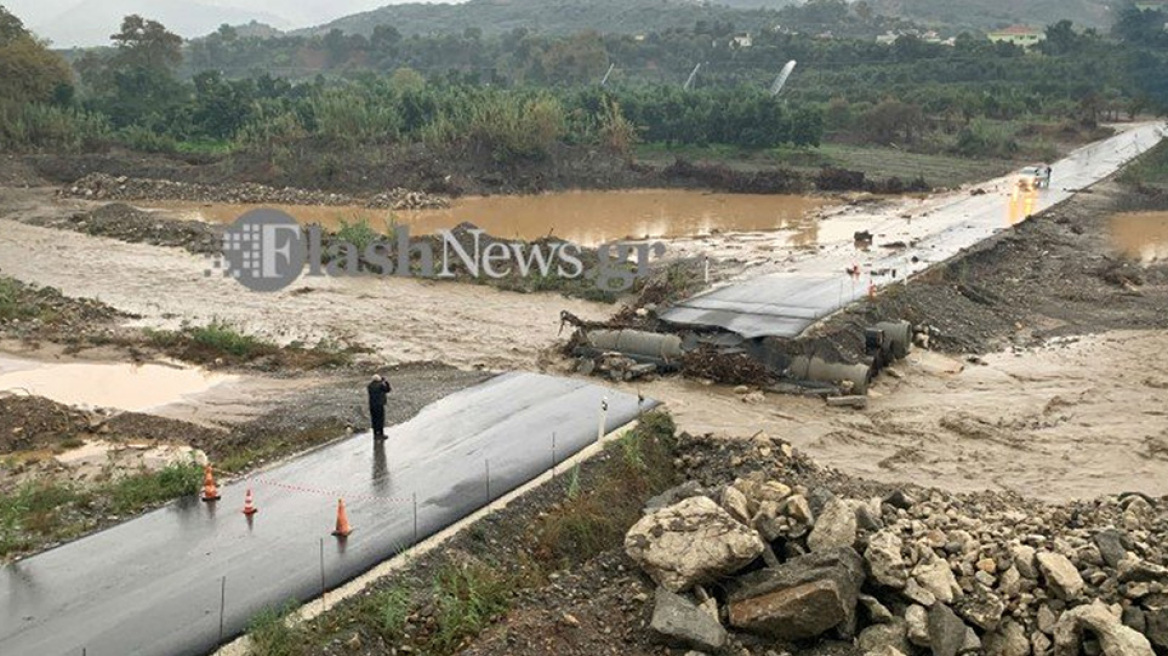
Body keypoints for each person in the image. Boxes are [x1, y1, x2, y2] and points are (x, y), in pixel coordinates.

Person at [367, 374, 391, 441]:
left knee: (374, 419)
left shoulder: (369, 386)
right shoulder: (380, 385)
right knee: (380, 419)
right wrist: (385, 382)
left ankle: (375, 434)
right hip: (379, 405)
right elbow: (388, 389)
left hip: (372, 405)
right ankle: (381, 434)